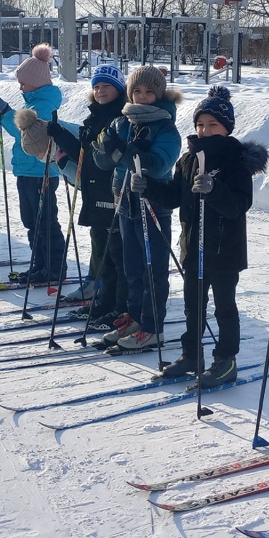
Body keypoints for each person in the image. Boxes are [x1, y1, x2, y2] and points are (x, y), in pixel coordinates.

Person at [146, 86, 267, 386]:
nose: (204, 130)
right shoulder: (188, 160)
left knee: (224, 306)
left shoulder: (235, 162)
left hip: (224, 250)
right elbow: (173, 196)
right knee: (192, 306)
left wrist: (214, 191)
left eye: (212, 124)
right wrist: (147, 186)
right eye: (200, 124)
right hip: (193, 246)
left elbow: (239, 205)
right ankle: (192, 355)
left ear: (226, 128)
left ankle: (226, 360)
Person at [94, 64, 183, 352]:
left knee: (152, 270)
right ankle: (134, 317)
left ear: (158, 94)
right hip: (125, 202)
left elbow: (157, 165)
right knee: (131, 267)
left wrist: (124, 151)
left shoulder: (166, 127)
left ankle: (153, 326)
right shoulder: (123, 122)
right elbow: (103, 161)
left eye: (148, 92)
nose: (142, 97)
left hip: (152, 205)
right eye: (137, 91)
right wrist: (106, 148)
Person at [45, 63, 128, 329]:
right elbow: (85, 155)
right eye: (97, 86)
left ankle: (117, 306)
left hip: (110, 191)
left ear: (118, 89)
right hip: (94, 192)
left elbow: (100, 157)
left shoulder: (119, 118)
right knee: (100, 253)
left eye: (107, 86)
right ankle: (102, 301)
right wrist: (60, 135)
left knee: (114, 255)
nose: (101, 91)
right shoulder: (95, 116)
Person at [0, 44, 65, 284]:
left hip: (39, 170)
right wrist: (6, 114)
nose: (20, 86)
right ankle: (41, 264)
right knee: (32, 221)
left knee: (44, 221)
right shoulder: (34, 102)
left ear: (36, 81)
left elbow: (28, 133)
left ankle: (54, 267)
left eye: (24, 82)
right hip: (27, 170)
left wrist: (6, 114)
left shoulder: (42, 105)